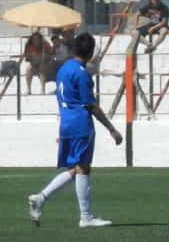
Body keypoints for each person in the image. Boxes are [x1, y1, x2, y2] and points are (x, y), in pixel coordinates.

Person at [27, 33, 123, 227]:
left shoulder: (64, 68)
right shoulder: (81, 73)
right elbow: (91, 105)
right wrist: (112, 129)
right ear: (91, 52)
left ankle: (41, 198)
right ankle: (86, 217)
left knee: (75, 169)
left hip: (66, 123)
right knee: (83, 168)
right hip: (80, 124)